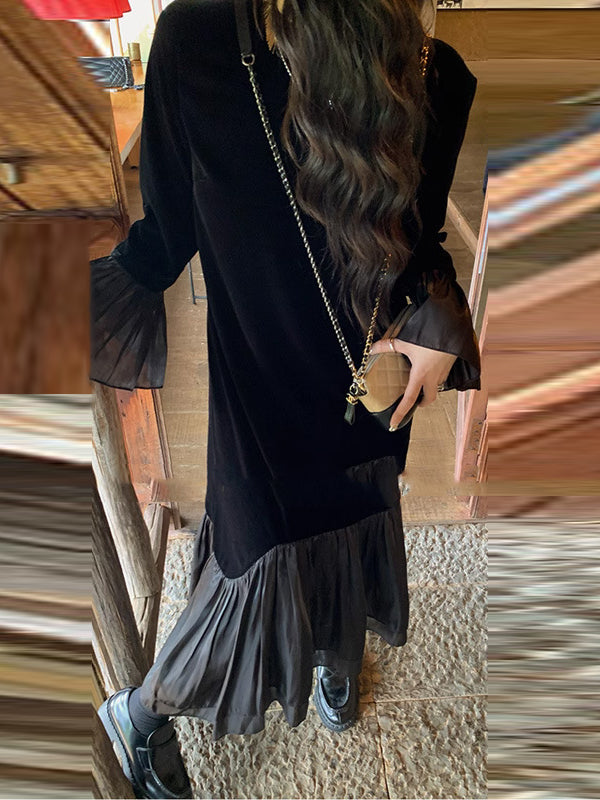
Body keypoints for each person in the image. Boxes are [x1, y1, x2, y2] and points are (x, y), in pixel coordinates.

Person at [93, 0, 481, 796]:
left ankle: (333, 650)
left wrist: (438, 312)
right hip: (261, 397)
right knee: (251, 574)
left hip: (368, 388)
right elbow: (168, 234)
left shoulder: (431, 72)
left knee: (354, 529)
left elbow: (419, 243)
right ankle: (140, 711)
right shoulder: (200, 40)